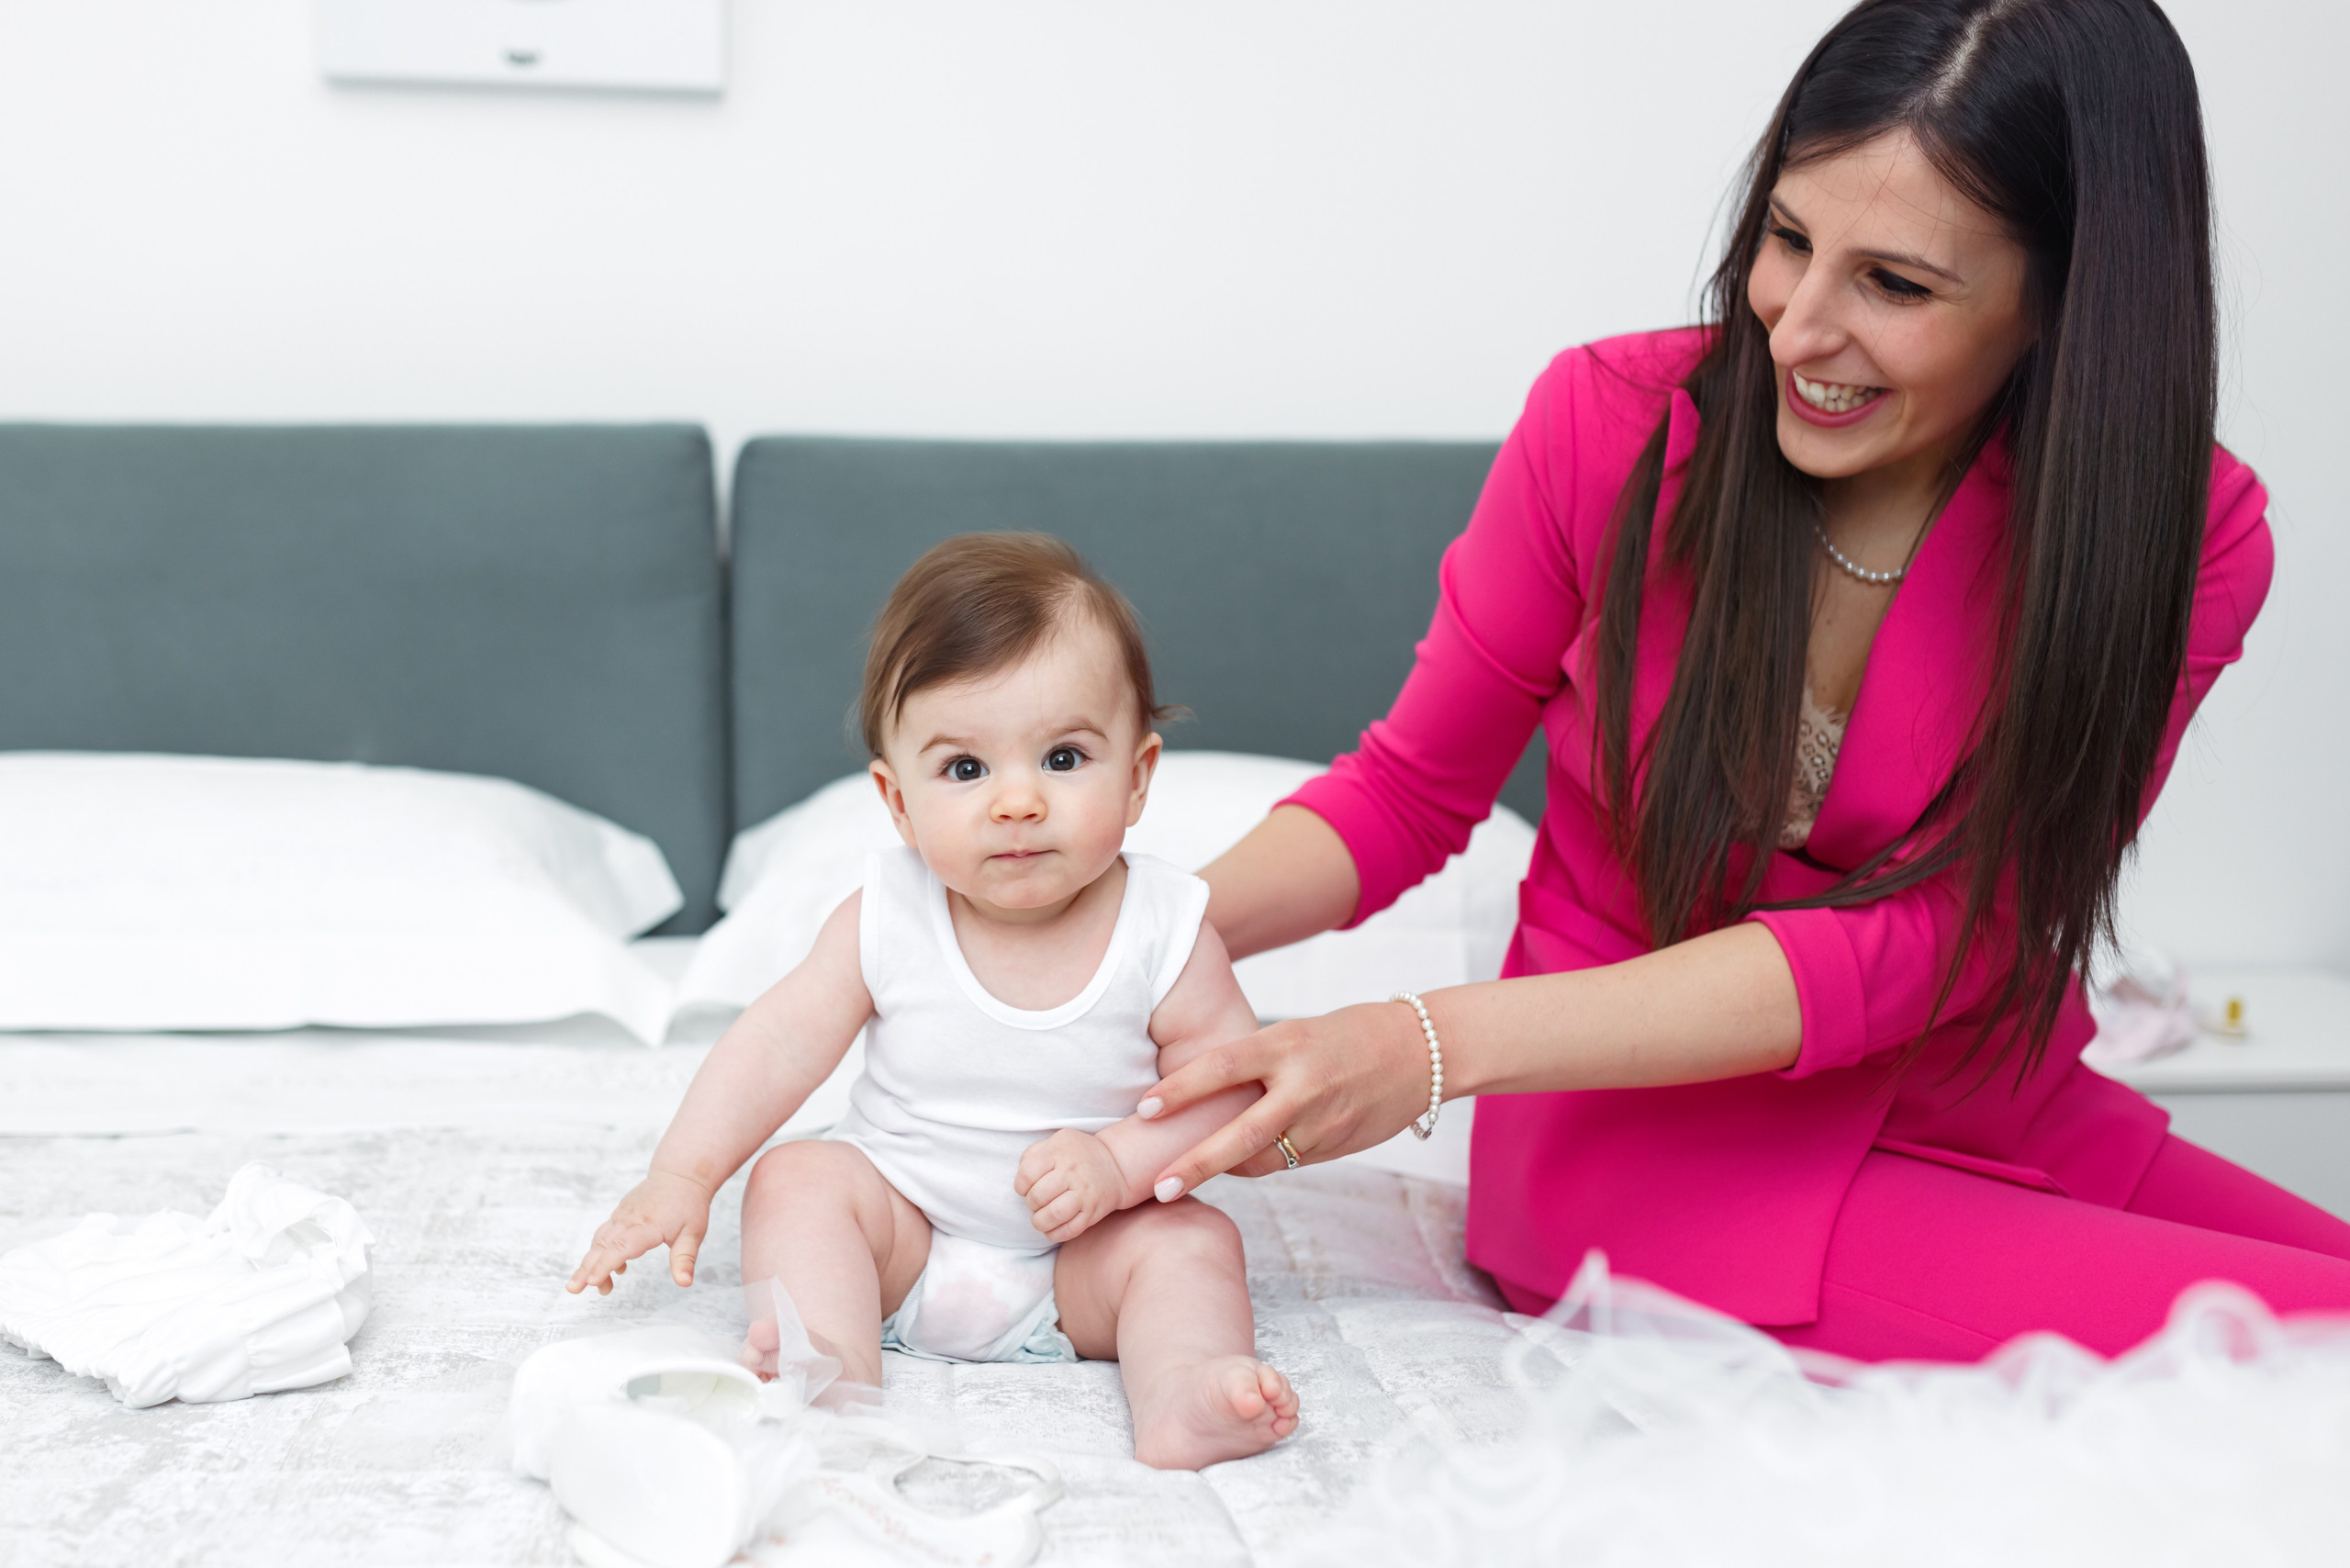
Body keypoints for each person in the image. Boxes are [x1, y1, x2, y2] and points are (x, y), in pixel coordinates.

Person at [1133, 0, 2350, 1361]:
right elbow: (1406, 794)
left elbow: (1953, 933)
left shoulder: (2182, 538)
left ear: (2064, 302)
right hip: (1642, 1136)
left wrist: (1421, 1040)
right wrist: (1120, 942)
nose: (1796, 328)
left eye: (1895, 286)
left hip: (1972, 1101)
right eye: (1786, 238)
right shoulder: (1607, 427)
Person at [567, 532, 1300, 1469]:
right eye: (965, 769)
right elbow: (777, 1044)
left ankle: (1183, 1388)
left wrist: (1118, 1165)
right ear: (898, 801)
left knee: (1192, 1241)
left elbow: (1228, 1089)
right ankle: (831, 1368)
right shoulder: (886, 914)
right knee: (797, 1179)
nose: (1017, 801)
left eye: (1064, 757)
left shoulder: (1167, 926)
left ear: (1138, 776)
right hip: (901, 1240)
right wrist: (683, 1173)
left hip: (1087, 1258)